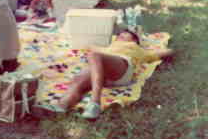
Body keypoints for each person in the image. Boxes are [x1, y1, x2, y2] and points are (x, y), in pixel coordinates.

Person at [37, 30, 174, 119]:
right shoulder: (108, 48)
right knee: (77, 80)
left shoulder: (137, 49)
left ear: (134, 40)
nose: (120, 35)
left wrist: (153, 45)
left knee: (94, 56)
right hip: (102, 72)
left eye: (125, 34)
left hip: (122, 69)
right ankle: (61, 106)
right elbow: (87, 45)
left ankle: (94, 103)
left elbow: (167, 52)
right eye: (119, 34)